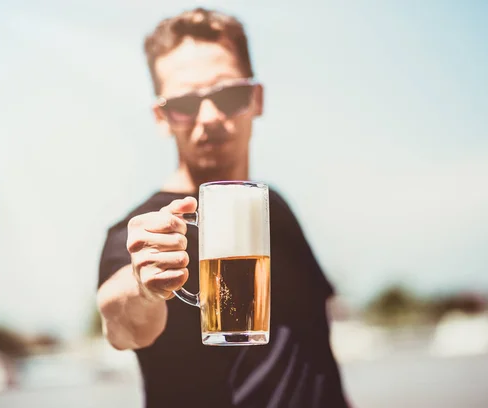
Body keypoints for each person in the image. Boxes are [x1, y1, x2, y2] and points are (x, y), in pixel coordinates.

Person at [96, 7, 350, 408]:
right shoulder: (146, 231)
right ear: (162, 118)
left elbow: (315, 353)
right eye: (185, 103)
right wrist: (144, 287)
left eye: (228, 95)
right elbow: (122, 324)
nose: (209, 117)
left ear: (256, 98)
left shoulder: (273, 206)